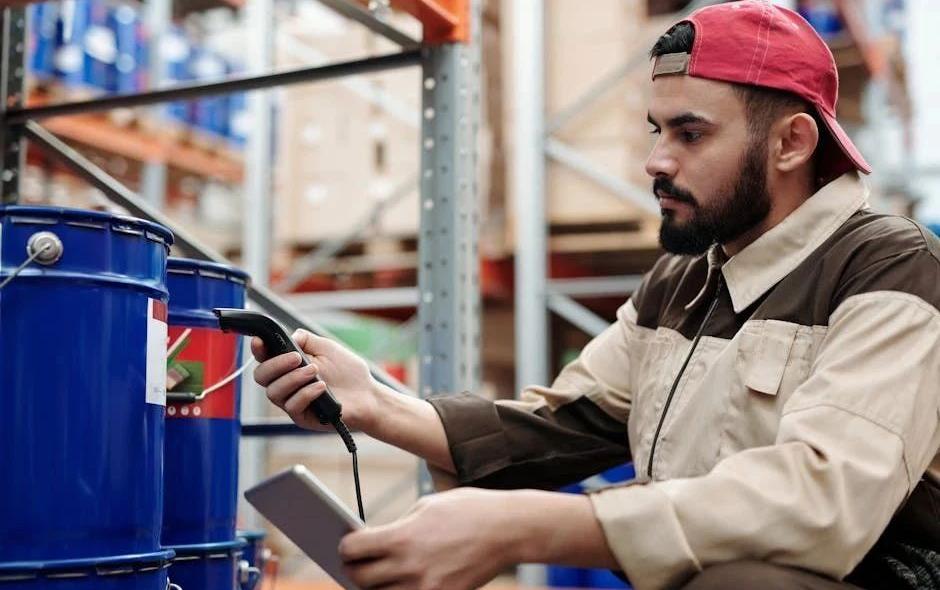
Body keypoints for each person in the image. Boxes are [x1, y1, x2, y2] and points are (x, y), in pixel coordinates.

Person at [252, 2, 940, 589]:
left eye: (690, 133)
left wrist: (521, 527)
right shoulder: (682, 282)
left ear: (791, 143)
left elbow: (820, 501)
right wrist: (377, 405)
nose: (656, 161)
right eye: (657, 131)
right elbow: (567, 425)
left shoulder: (892, 270)